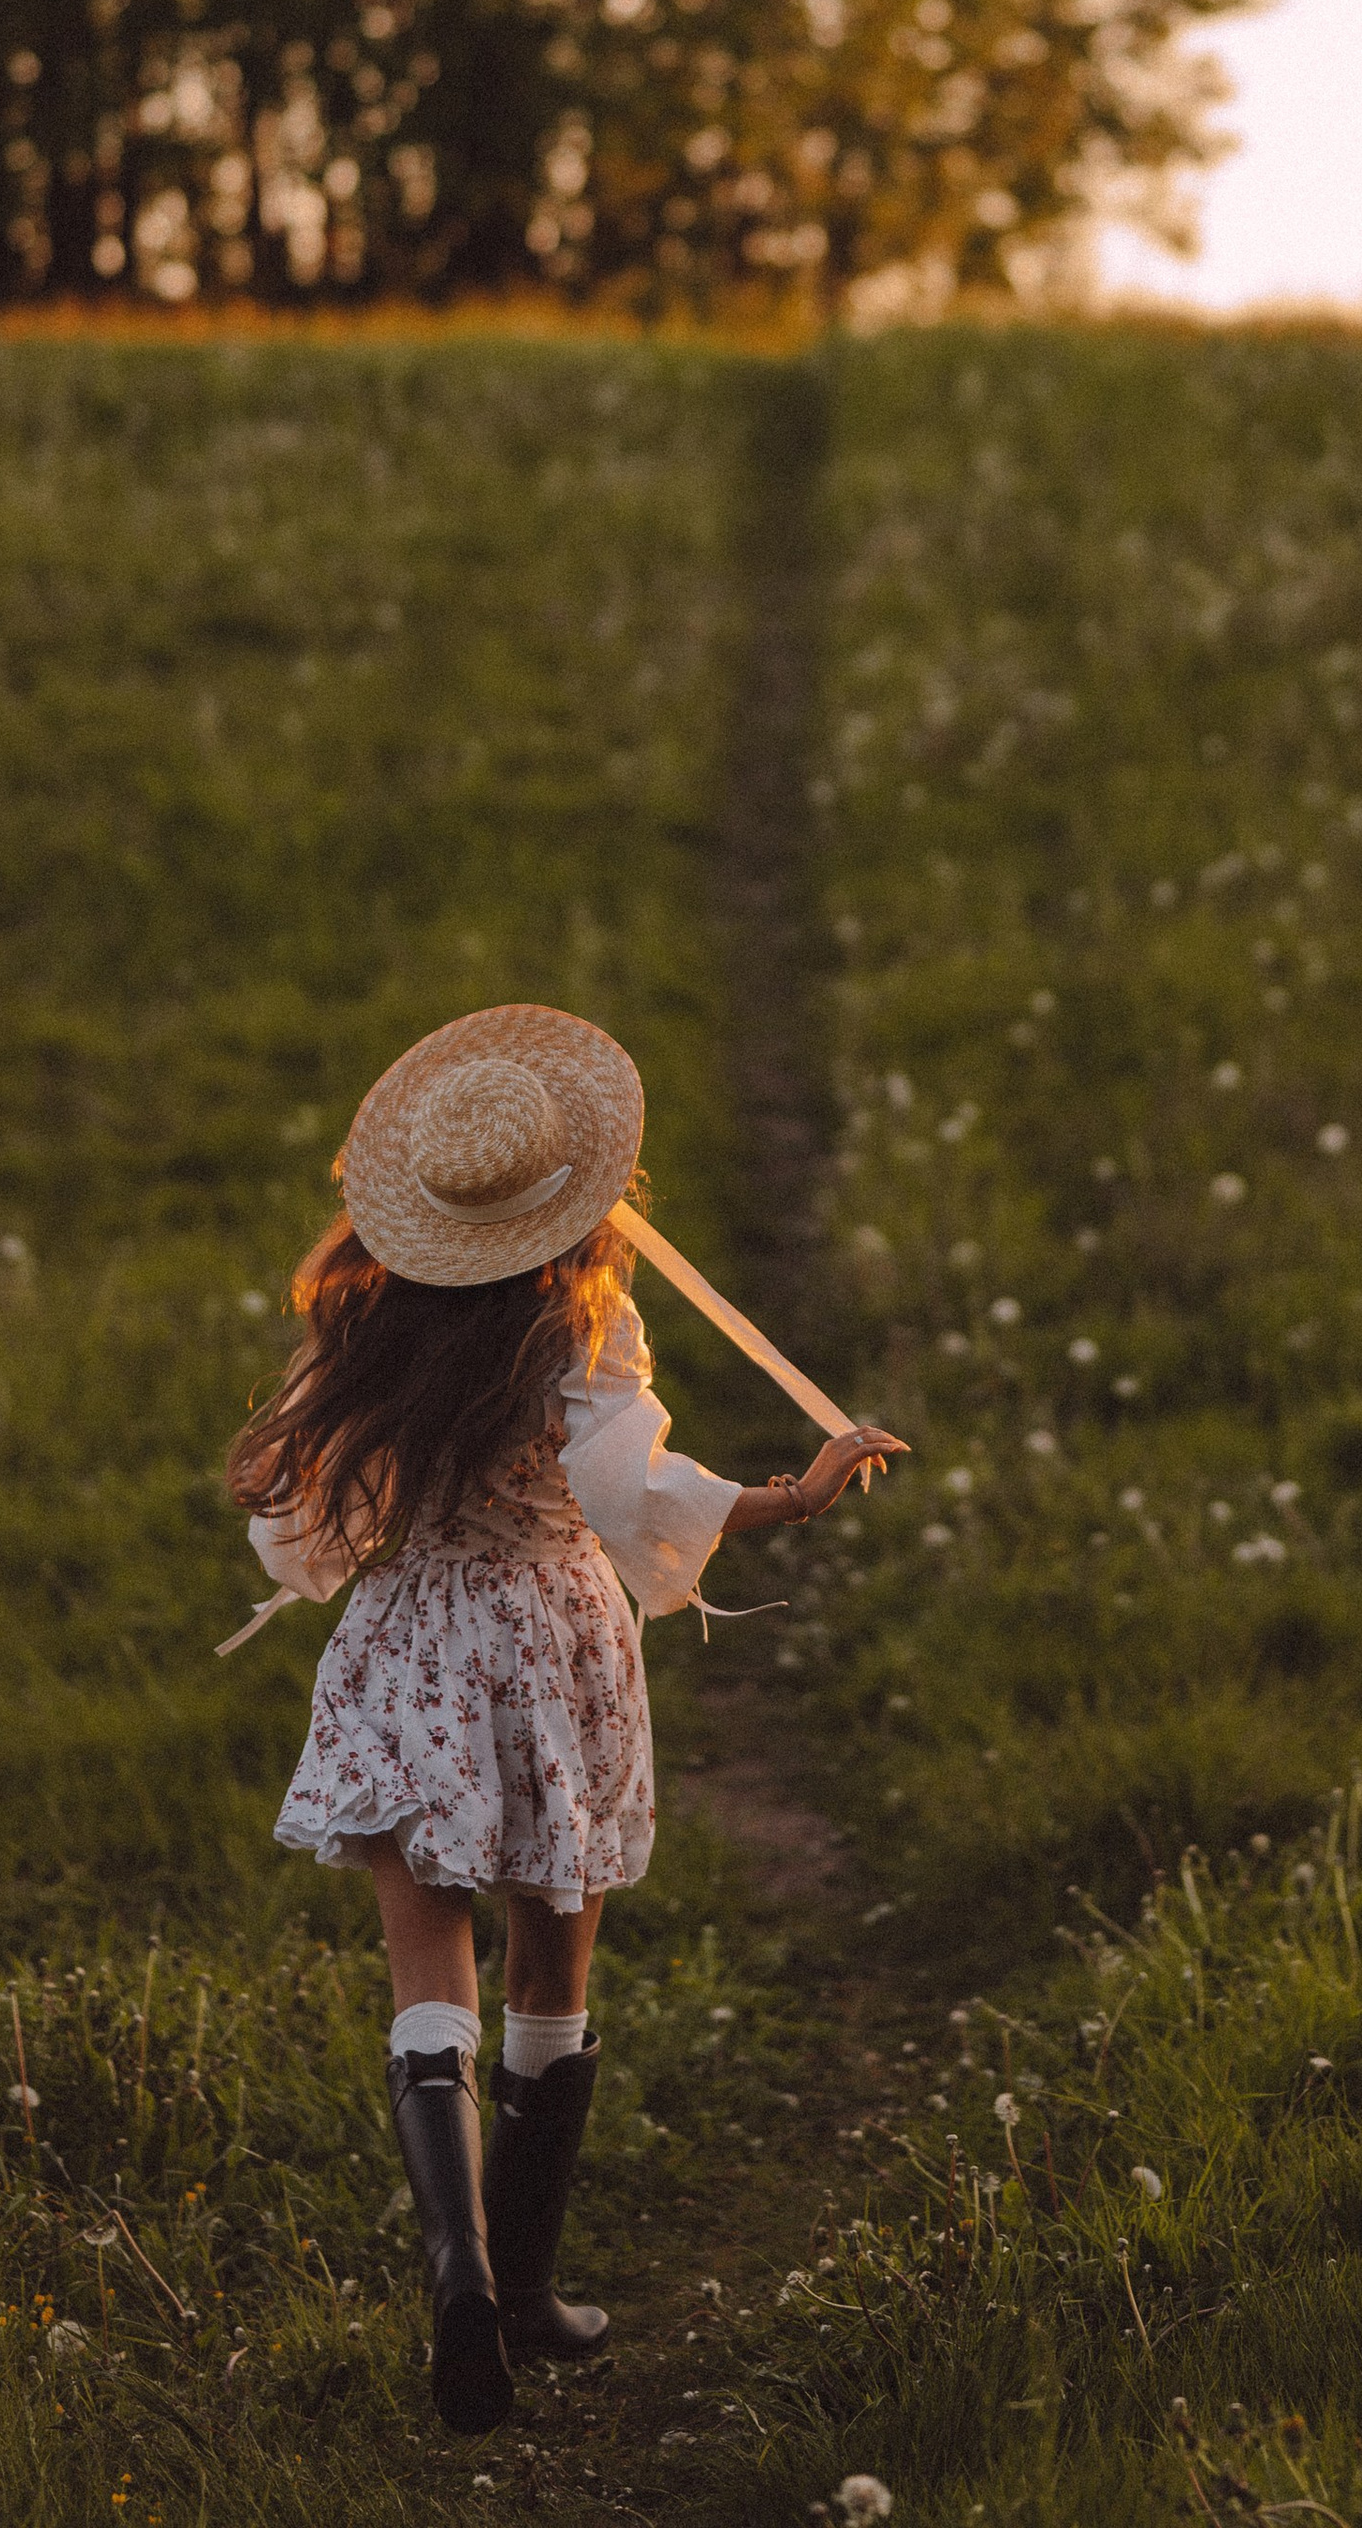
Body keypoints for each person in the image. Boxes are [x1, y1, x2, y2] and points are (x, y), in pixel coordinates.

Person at [225, 1003, 904, 2437]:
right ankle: (524, 2289)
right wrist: (792, 1489)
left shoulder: (366, 1325)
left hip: (409, 1644)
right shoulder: (581, 1323)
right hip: (548, 1647)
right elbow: (624, 1484)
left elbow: (305, 1522)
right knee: (553, 1967)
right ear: (573, 1196)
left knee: (429, 1973)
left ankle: (456, 2275)